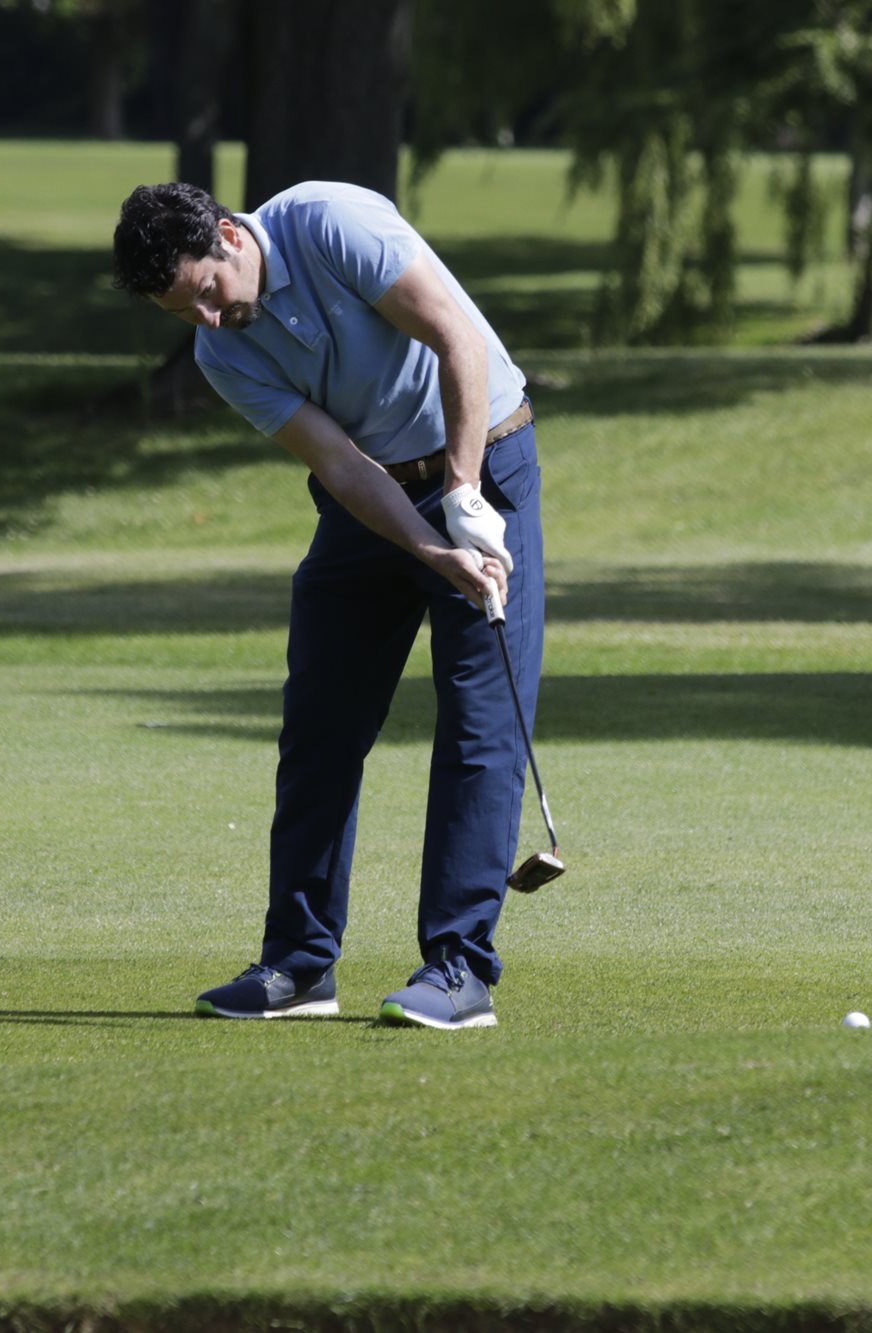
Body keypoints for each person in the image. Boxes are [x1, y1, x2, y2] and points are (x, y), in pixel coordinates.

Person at [111, 181, 544, 1031]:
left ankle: (458, 967)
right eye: (183, 312)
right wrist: (427, 548)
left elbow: (457, 337)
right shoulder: (222, 354)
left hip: (486, 455)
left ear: (229, 235)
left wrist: (462, 496)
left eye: (206, 292)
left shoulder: (329, 224)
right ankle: (300, 964)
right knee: (320, 724)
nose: (206, 319)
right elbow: (341, 465)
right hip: (370, 498)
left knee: (479, 723)